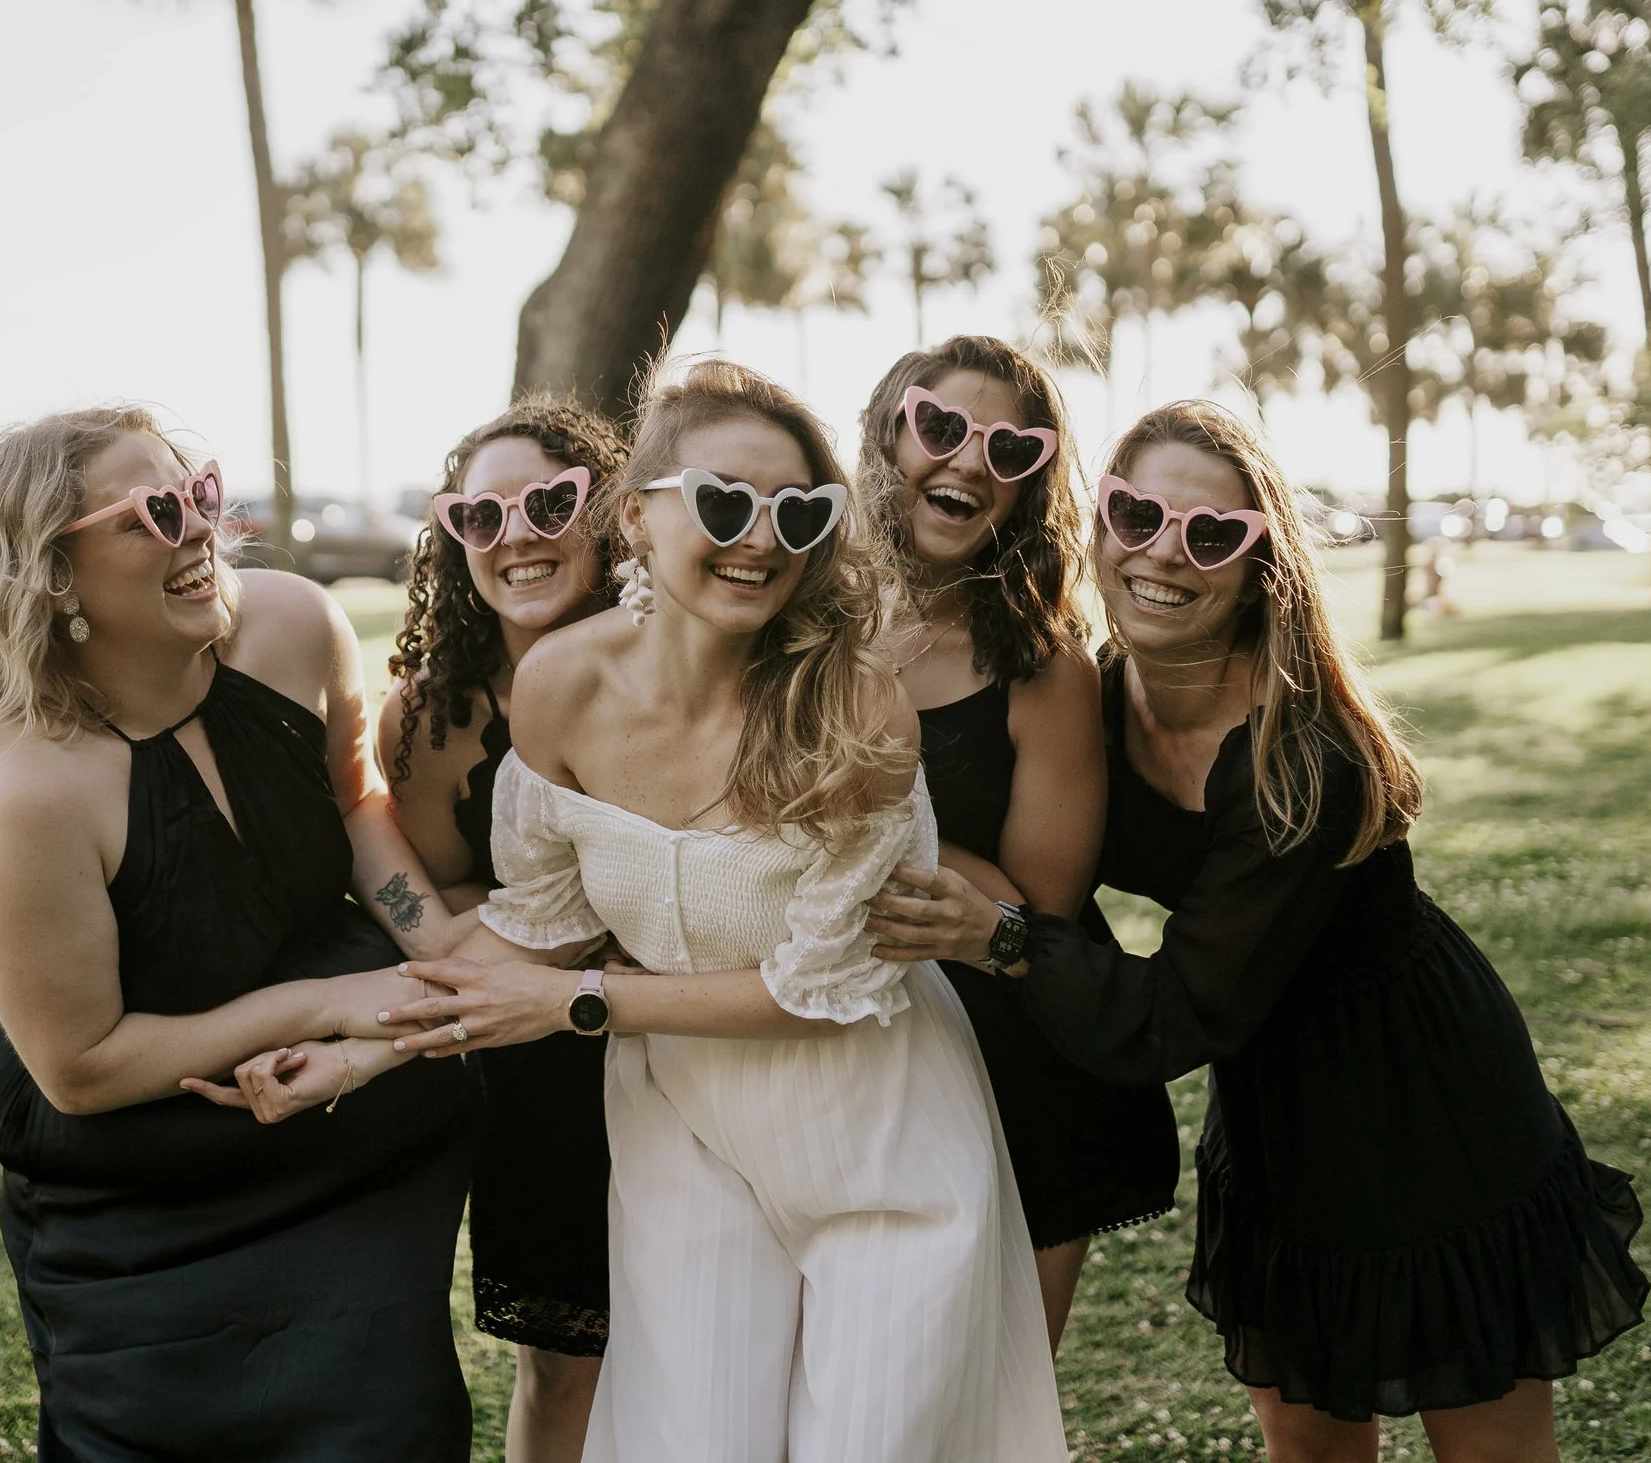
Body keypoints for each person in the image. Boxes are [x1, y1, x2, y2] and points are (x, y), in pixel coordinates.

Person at [259, 361, 1067, 1462]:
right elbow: (533, 923)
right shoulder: (560, 685)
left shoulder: (856, 707)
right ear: (636, 515)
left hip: (879, 1138)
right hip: (682, 1129)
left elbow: (814, 991)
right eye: (728, 501)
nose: (764, 537)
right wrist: (363, 1053)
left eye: (799, 511)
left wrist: (576, 1003)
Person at [877, 400, 1649, 1461]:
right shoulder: (1097, 694)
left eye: (1209, 534)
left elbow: (1172, 1013)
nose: (1162, 553)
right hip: (1273, 1094)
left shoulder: (1300, 765)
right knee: (1305, 1437)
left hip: (1417, 1093)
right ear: (1095, 518)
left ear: (1259, 566)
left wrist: (1001, 938)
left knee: (1485, 1442)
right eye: (1135, 512)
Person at [0, 405, 480, 1462]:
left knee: (392, 1429)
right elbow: (80, 1068)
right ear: (51, 572)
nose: (201, 533)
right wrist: (324, 1000)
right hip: (143, 1199)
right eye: (156, 511)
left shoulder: (289, 625)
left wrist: (434, 942)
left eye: (204, 494)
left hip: (343, 1158)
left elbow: (354, 798)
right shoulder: (26, 784)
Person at [855, 337, 1180, 1349]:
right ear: (886, 435)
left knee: (995, 1404)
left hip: (1022, 1069)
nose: (966, 463)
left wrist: (836, 816)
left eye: (1009, 449)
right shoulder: (793, 619)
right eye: (942, 427)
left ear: (1029, 487)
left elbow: (1031, 905)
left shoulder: (1041, 665)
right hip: (839, 1053)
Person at [379, 401, 629, 1462]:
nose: (515, 532)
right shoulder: (429, 718)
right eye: (480, 513)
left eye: (549, 501)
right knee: (563, 1366)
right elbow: (430, 918)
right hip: (543, 1073)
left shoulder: (688, 664)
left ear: (609, 509)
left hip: (707, 1041)